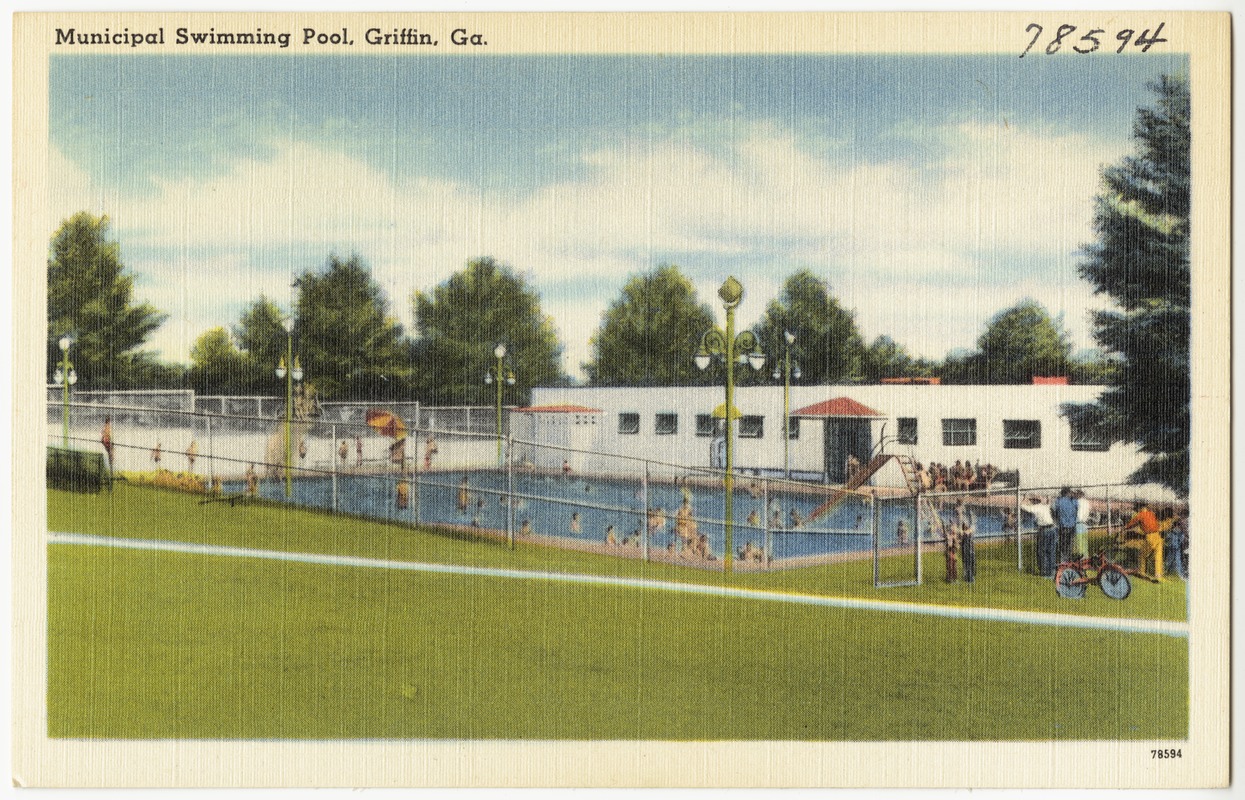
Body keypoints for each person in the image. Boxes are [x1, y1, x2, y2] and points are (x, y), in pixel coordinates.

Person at [1123, 502, 1164, 581]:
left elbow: (1130, 524)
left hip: (1150, 537)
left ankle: (1142, 572)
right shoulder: (1151, 513)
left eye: (1137, 508)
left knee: (1142, 555)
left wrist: (1125, 528)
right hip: (1158, 536)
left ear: (1139, 508)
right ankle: (1158, 575)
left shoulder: (1140, 515)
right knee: (1158, 556)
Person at [1020, 495, 1056, 578]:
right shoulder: (1045, 507)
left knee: (1042, 551)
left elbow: (1022, 506)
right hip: (1052, 529)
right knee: (1051, 550)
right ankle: (1052, 571)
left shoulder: (1036, 508)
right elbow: (1049, 504)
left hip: (1044, 530)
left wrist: (1024, 499)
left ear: (1034, 501)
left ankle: (1045, 572)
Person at [1050, 487, 1079, 564]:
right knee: (1070, 545)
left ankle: (1063, 562)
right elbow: (1077, 510)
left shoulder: (1058, 501)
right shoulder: (1073, 501)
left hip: (1062, 525)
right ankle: (1069, 561)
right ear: (1068, 493)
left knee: (1062, 545)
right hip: (1072, 525)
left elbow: (1052, 509)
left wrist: (1056, 518)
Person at [1073, 490, 1092, 559]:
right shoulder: (1087, 502)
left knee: (1080, 542)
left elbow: (1077, 514)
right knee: (1085, 542)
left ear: (1078, 495)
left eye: (1075, 494)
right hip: (1085, 523)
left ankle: (1081, 558)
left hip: (1078, 523)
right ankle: (1086, 557)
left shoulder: (1077, 502)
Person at [960, 514, 977, 584]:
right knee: (968, 564)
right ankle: (969, 578)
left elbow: (971, 530)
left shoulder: (970, 531)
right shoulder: (964, 532)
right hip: (966, 550)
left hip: (970, 549)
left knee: (972, 563)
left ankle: (970, 576)